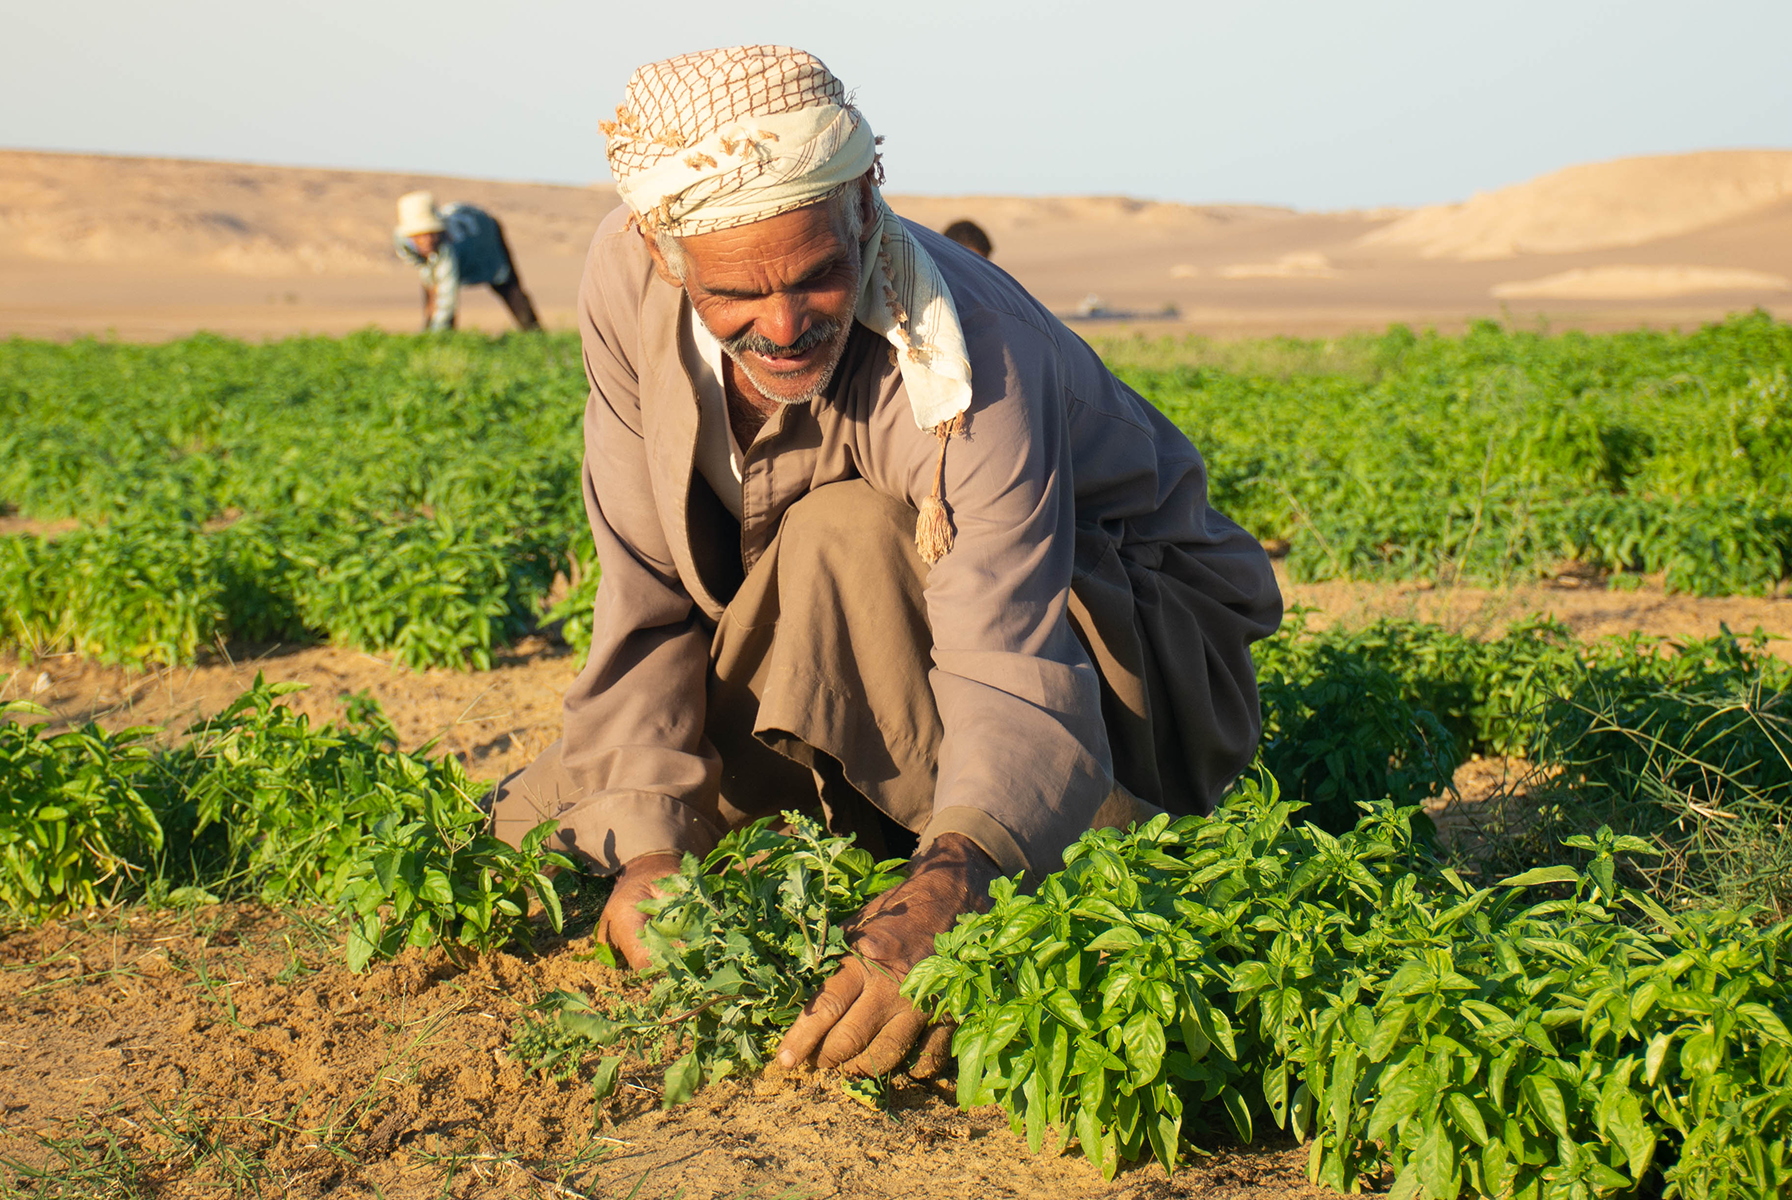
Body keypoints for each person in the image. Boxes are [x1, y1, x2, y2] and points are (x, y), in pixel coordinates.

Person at [486, 46, 1280, 1079]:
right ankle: (860, 813)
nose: (781, 328)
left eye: (819, 274)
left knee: (843, 533)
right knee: (548, 827)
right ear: (660, 248)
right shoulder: (623, 278)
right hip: (838, 628)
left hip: (1128, 659)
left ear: (866, 203)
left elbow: (1007, 651)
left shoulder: (964, 361)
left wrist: (958, 877)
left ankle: (1013, 840)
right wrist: (648, 849)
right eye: (734, 294)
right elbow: (644, 587)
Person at [394, 191, 541, 332]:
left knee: (507, 286)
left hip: (484, 238)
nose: (427, 241)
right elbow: (427, 271)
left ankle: (535, 335)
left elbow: (447, 297)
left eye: (431, 234)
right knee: (431, 287)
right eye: (420, 236)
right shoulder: (403, 242)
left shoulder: (448, 247)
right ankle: (431, 335)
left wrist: (438, 333)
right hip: (452, 246)